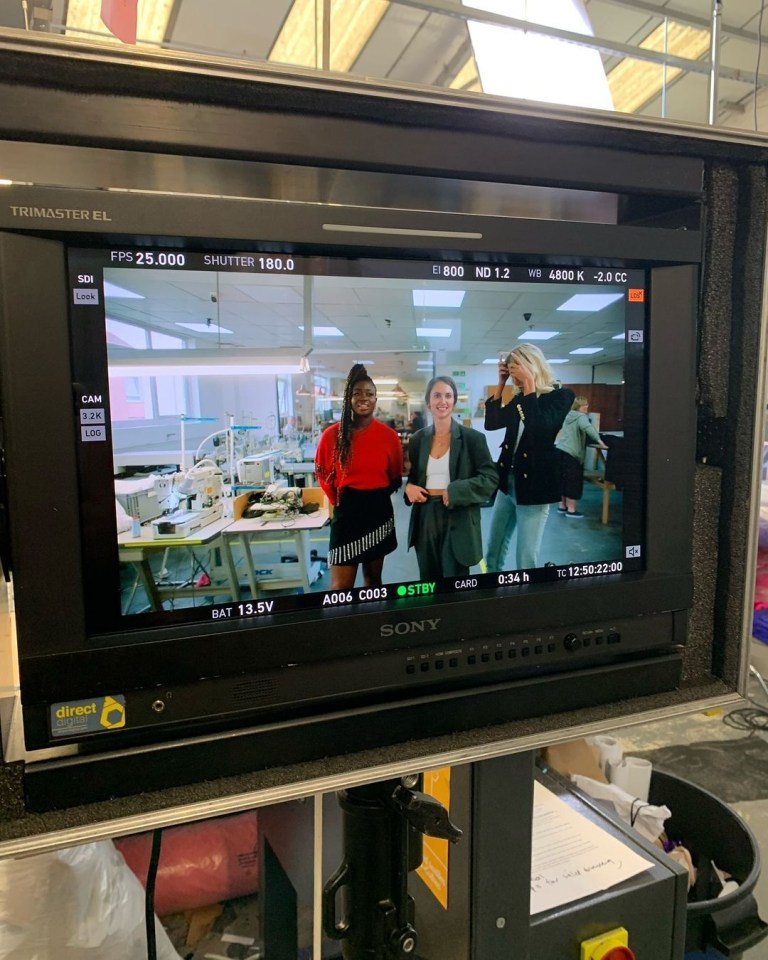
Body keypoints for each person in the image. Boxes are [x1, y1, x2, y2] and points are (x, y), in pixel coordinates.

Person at [484, 344, 573, 570]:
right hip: (507, 483)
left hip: (535, 488)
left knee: (525, 558)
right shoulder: (520, 398)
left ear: (531, 366)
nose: (515, 378)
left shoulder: (560, 396)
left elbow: (539, 430)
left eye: (516, 372)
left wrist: (531, 385)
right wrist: (501, 383)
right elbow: (492, 423)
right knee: (493, 550)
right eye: (511, 373)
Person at [315, 364, 403, 589]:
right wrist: (338, 500)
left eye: (369, 394)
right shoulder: (332, 436)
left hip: (378, 512)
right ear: (348, 399)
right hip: (347, 514)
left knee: (373, 582)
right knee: (340, 588)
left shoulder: (389, 437)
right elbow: (323, 474)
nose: (364, 398)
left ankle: (370, 623)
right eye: (357, 393)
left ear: (376, 399)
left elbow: (395, 476)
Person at [404, 376, 497, 579]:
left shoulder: (472, 439)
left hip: (458, 515)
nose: (442, 401)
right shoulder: (418, 439)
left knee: (455, 583)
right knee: (428, 581)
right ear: (428, 402)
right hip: (426, 516)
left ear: (454, 401)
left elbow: (490, 478)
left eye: (448, 395)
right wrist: (408, 488)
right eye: (437, 395)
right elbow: (413, 477)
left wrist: (456, 491)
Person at [555, 396, 608, 518]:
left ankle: (562, 507)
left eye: (587, 404)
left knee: (563, 480)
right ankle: (572, 510)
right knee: (573, 482)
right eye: (584, 405)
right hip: (572, 454)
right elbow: (588, 428)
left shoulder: (568, 416)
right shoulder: (580, 417)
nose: (587, 406)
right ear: (578, 406)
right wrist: (600, 441)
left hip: (561, 450)